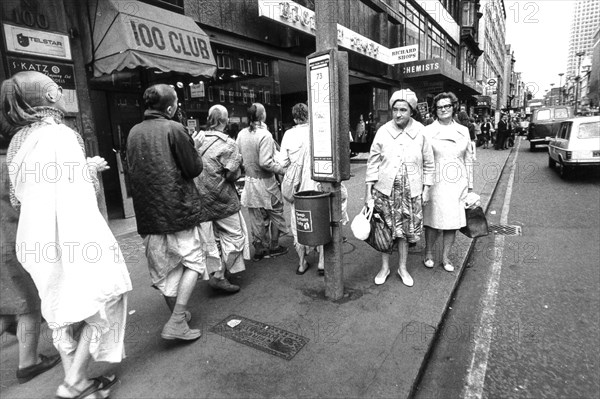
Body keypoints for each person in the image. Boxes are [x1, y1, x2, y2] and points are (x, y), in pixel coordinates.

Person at [2, 71, 131, 398]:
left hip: (34, 237)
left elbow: (19, 197)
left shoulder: (18, 140)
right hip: (72, 234)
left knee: (60, 308)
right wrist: (90, 171)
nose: (60, 92)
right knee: (106, 295)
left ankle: (81, 383)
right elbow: (78, 191)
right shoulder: (62, 133)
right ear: (48, 98)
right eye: (56, 87)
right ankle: (74, 381)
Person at [127, 84, 204, 341]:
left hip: (148, 213)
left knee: (166, 268)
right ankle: (178, 319)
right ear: (170, 108)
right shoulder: (175, 128)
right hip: (177, 209)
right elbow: (193, 168)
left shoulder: (133, 132)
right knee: (194, 261)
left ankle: (176, 315)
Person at [1, 155, 61, 384]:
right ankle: (28, 363)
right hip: (10, 239)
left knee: (5, 308)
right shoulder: (12, 163)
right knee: (28, 303)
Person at [365, 89, 434, 287]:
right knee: (385, 231)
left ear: (411, 110)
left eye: (403, 109)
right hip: (385, 191)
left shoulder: (421, 131)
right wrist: (367, 193)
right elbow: (372, 163)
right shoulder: (383, 131)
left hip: (410, 192)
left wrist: (426, 189)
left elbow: (429, 163)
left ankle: (402, 268)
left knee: (404, 232)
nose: (398, 114)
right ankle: (385, 267)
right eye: (395, 109)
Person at [195, 104, 248, 293]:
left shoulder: (195, 139)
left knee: (211, 240)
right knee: (235, 236)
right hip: (223, 200)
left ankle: (214, 271)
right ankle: (219, 276)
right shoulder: (228, 143)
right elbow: (231, 175)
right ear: (225, 121)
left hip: (200, 200)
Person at [423, 92, 474, 272]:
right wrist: (424, 186)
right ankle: (428, 252)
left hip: (457, 183)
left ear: (454, 107)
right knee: (432, 220)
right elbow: (423, 159)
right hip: (435, 181)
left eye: (447, 106)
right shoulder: (427, 131)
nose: (443, 109)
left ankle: (445, 257)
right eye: (439, 107)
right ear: (435, 110)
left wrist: (470, 187)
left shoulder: (464, 130)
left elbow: (468, 159)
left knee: (451, 221)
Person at [236, 103, 288, 261]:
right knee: (277, 212)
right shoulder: (265, 135)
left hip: (250, 181)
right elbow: (266, 162)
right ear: (262, 115)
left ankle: (259, 249)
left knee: (256, 216)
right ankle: (274, 246)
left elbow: (238, 157)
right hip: (266, 183)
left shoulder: (241, 134)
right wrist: (282, 170)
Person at [278, 103, 325, 275]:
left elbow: (282, 162)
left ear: (294, 118)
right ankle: (321, 261)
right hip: (317, 183)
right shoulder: (317, 131)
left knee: (299, 221)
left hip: (298, 187)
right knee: (320, 219)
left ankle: (301, 262)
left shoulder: (289, 134)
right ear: (309, 115)